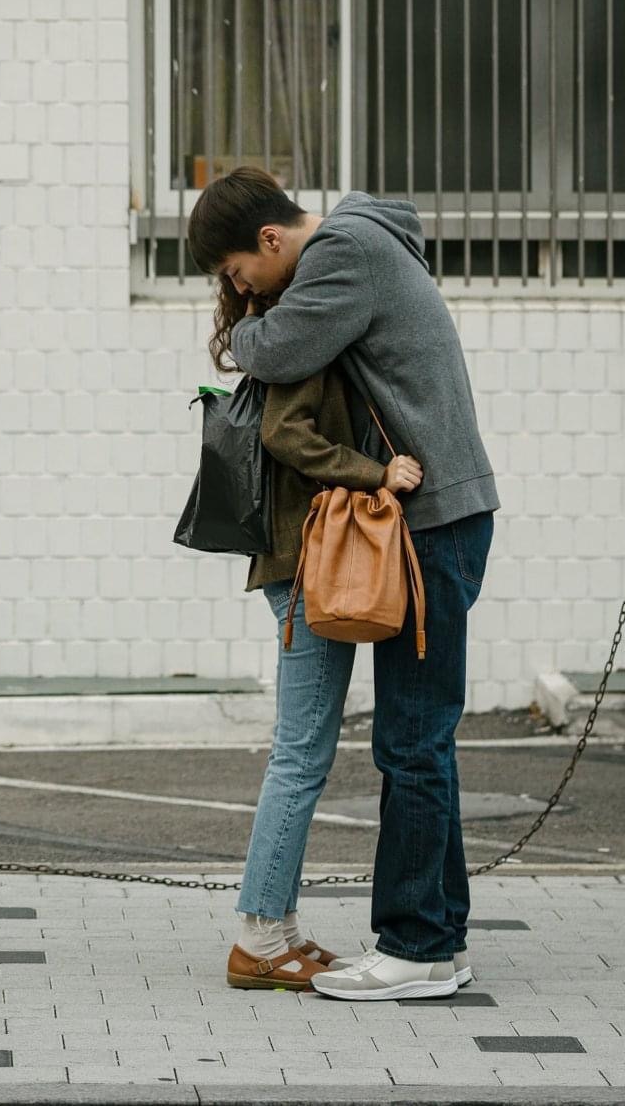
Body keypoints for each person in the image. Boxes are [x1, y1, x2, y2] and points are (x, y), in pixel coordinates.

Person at [189, 166, 499, 1003]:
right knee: (421, 736)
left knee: (411, 740)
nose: (240, 291)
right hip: (441, 515)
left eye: (237, 274)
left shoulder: (342, 252)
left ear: (270, 240)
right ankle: (439, 936)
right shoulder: (367, 241)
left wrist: (247, 329)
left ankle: (415, 949)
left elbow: (272, 351)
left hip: (431, 518)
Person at [211, 274, 426, 991]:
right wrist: (375, 474)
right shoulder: (304, 340)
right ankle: (259, 939)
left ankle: (283, 927)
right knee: (300, 756)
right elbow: (284, 432)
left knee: (304, 753)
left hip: (297, 563)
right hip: (309, 565)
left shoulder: (287, 335)